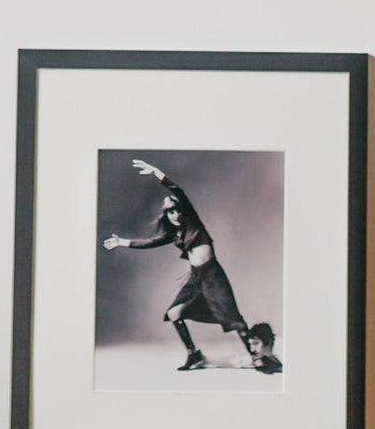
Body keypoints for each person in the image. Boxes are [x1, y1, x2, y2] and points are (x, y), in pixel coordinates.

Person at [103, 159, 280, 373]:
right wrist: (122, 242)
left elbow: (179, 192)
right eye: (171, 212)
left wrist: (158, 173)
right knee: (175, 313)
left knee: (234, 320)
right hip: (196, 278)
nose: (175, 215)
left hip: (212, 276)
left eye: (178, 211)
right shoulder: (173, 233)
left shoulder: (193, 224)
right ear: (166, 215)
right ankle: (193, 355)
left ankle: (258, 357)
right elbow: (151, 242)